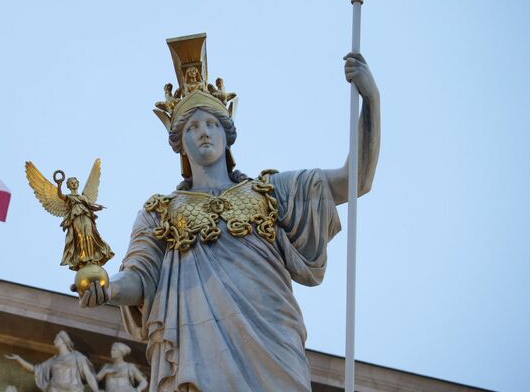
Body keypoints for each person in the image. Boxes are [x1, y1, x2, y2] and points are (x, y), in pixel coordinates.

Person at [79, 35, 380, 391]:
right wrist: (107, 287)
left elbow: (354, 181)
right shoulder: (160, 211)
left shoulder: (272, 191)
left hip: (271, 339)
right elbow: (141, 278)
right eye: (192, 127)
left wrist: (371, 100)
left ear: (227, 133)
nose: (203, 133)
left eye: (211, 124)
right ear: (180, 144)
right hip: (197, 345)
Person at [5, 330, 100, 392]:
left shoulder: (77, 357)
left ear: (63, 340)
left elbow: (89, 376)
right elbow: (35, 370)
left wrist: (96, 391)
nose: (54, 340)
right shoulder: (53, 360)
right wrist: (19, 359)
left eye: (57, 338)